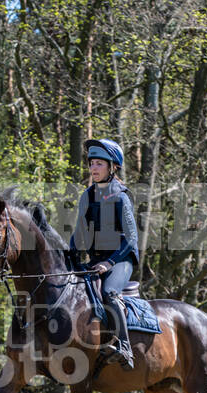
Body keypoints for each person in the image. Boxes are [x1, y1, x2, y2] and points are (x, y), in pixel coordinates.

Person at [70, 138, 139, 370]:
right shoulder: (87, 196)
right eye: (92, 164)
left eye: (99, 164)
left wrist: (110, 263)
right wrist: (68, 258)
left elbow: (131, 239)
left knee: (109, 291)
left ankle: (125, 347)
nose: (94, 169)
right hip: (96, 259)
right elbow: (79, 233)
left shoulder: (121, 197)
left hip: (121, 258)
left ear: (113, 167)